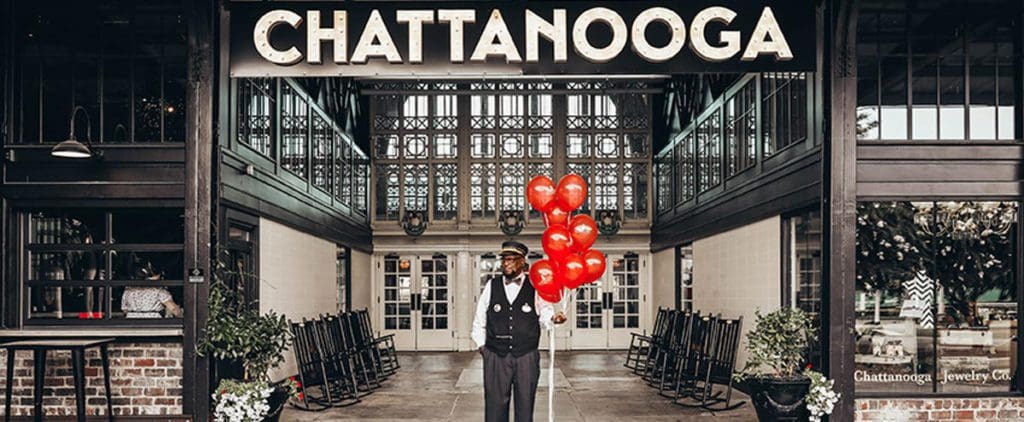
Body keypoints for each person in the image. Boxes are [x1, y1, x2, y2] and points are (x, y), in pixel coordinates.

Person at [471, 241, 567, 422]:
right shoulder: (492, 285)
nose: (505, 264)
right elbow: (479, 320)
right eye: (504, 260)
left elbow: (545, 312)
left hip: (526, 355)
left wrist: (554, 319)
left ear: (522, 262)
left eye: (510, 260)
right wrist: (483, 348)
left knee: (525, 405)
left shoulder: (535, 286)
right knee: (494, 407)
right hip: (496, 355)